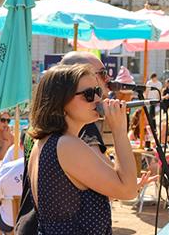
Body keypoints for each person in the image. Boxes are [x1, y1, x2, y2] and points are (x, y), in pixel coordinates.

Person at [27, 64, 137, 234]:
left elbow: (113, 188)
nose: (97, 100)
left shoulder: (45, 142)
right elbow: (129, 190)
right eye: (88, 94)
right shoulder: (67, 145)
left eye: (98, 92)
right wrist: (119, 131)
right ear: (61, 100)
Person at [17, 51, 114, 234]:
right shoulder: (81, 126)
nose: (105, 79)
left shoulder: (40, 130)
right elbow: (120, 186)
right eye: (100, 73)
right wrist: (118, 131)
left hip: (30, 223)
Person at [0, 131, 26, 234]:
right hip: (37, 221)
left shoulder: (8, 168)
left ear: (20, 145)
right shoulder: (50, 167)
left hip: (10, 221)